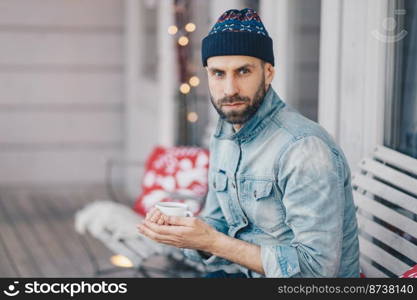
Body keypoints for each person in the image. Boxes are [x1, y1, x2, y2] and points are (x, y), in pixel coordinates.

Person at [137, 8, 359, 278]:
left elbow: (316, 271)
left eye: (243, 71)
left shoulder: (303, 149)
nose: (230, 89)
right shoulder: (224, 133)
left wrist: (212, 242)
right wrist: (187, 231)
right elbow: (217, 220)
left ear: (268, 72)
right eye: (218, 73)